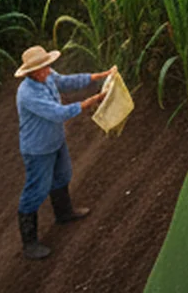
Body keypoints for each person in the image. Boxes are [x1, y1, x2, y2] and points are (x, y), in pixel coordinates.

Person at [13, 45, 113, 261]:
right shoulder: (27, 94)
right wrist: (94, 100)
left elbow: (67, 82)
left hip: (55, 141)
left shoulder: (48, 75)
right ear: (29, 72)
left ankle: (64, 213)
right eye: (40, 69)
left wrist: (100, 76)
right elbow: (58, 113)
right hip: (38, 149)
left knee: (62, 175)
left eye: (46, 66)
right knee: (36, 189)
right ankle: (29, 243)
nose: (46, 71)